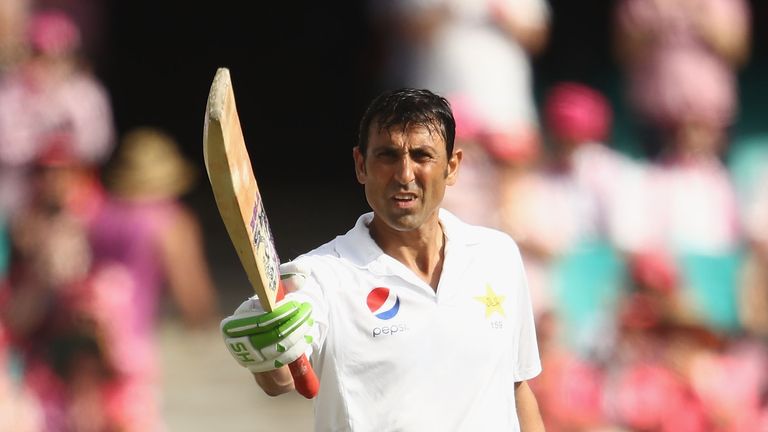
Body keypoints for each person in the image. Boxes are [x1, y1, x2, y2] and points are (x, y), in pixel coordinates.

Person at [220, 88, 544, 431]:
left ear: (452, 167)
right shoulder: (320, 277)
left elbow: (518, 388)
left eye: (422, 156)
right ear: (361, 165)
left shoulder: (497, 256)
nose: (405, 174)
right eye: (388, 156)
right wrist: (267, 348)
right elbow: (280, 380)